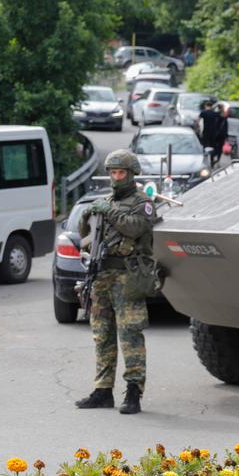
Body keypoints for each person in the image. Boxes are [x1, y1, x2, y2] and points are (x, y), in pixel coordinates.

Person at [75, 149, 157, 415]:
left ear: (132, 174)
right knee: (102, 334)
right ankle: (102, 390)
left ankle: (133, 391)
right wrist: (87, 217)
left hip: (128, 276)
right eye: (112, 172)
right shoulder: (106, 200)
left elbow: (135, 227)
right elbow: (85, 237)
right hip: (102, 275)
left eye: (121, 172)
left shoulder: (142, 202)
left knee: (130, 334)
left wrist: (107, 210)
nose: (116, 177)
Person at [197, 100, 221, 166]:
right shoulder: (214, 113)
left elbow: (198, 120)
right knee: (212, 146)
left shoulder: (203, 112)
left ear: (206, 106)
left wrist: (198, 128)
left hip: (205, 132)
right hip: (213, 132)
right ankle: (212, 160)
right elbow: (220, 117)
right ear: (211, 106)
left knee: (205, 146)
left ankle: (204, 160)